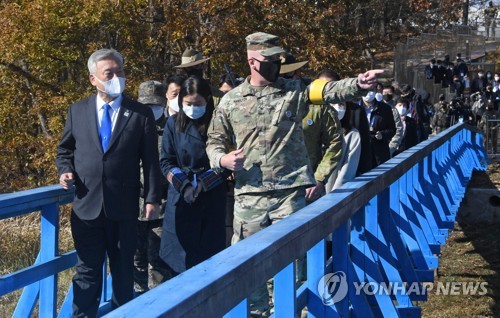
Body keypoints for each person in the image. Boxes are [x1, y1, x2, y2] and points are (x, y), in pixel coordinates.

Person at [206, 31, 382, 316]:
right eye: (270, 58)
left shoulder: (296, 90)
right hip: (249, 197)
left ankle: (293, 312)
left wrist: (358, 84)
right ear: (252, 60)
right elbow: (214, 140)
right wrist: (222, 159)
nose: (277, 62)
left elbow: (327, 90)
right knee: (249, 266)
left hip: (289, 194)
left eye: (278, 58)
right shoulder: (230, 101)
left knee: (293, 263)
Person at [55, 49, 162, 316]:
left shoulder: (139, 114)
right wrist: (64, 170)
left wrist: (151, 198)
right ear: (93, 79)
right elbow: (65, 149)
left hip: (123, 207)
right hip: (86, 206)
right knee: (87, 272)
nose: (117, 77)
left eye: (120, 71)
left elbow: (151, 160)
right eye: (109, 73)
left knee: (124, 272)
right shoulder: (77, 111)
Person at [159, 76, 227, 273]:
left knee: (209, 257)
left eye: (198, 103)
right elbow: (166, 162)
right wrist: (186, 186)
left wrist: (203, 183)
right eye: (188, 103)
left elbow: (225, 161)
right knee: (179, 260)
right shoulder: (172, 124)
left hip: (211, 193)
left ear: (207, 100)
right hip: (181, 196)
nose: (193, 108)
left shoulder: (218, 122)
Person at [133, 80, 174, 295]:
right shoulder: (130, 128)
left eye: (155, 105)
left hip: (163, 205)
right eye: (146, 105)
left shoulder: (172, 128)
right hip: (133, 205)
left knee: (159, 260)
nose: (151, 110)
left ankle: (159, 303)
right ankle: (135, 302)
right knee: (135, 259)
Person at [327, 101, 361, 191]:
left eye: (341, 105)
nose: (337, 107)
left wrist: (335, 193)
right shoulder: (314, 130)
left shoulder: (352, 134)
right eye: (333, 103)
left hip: (332, 191)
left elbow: (348, 169)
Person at [359, 91, 396, 166]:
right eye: (365, 89)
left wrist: (382, 135)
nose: (368, 93)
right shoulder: (354, 108)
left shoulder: (385, 108)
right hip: (360, 150)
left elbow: (392, 129)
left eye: (370, 89)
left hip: (379, 151)